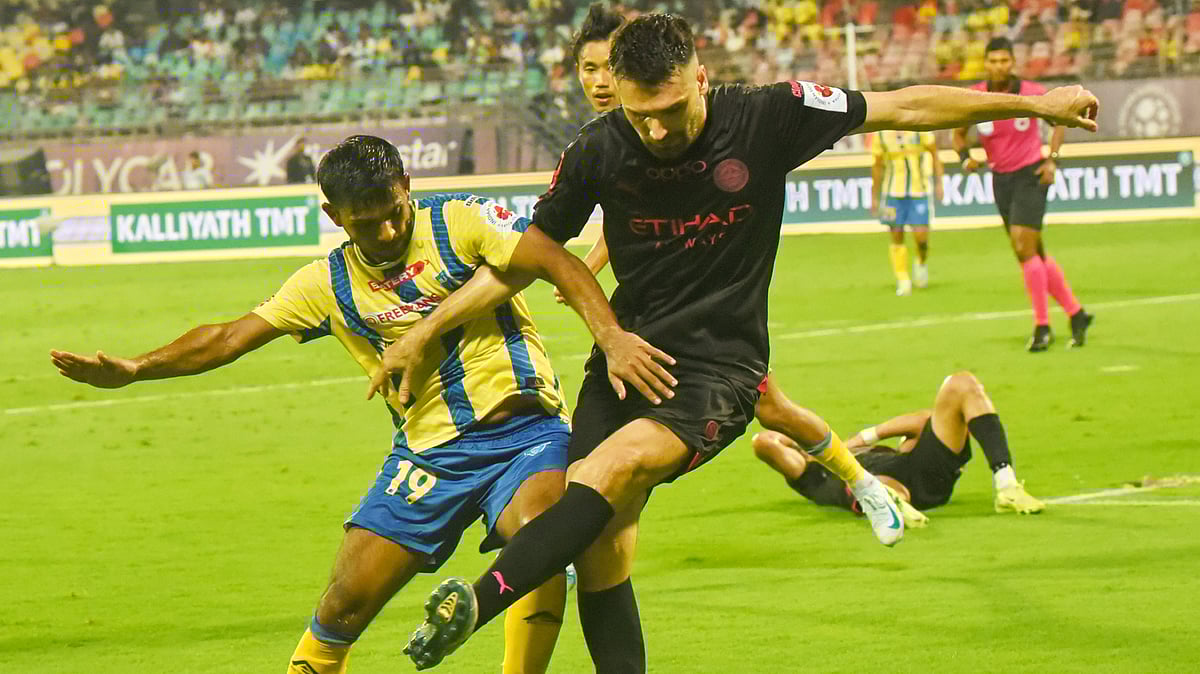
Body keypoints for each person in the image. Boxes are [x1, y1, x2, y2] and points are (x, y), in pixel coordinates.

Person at [392, 14, 1098, 671]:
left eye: (673, 111)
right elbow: (542, 248)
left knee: (608, 472)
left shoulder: (769, 113)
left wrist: (1035, 109)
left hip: (721, 368)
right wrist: (604, 333)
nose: (660, 131)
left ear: (701, 77)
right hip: (627, 358)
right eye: (643, 116)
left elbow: (903, 107)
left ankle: (476, 602)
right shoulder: (600, 148)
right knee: (604, 544)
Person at [48, 135, 675, 674]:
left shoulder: (461, 221)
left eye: (392, 212)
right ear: (332, 214)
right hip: (428, 455)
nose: (384, 231)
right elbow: (229, 337)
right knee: (343, 603)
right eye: (362, 222)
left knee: (539, 544)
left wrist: (612, 338)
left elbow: (555, 260)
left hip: (526, 434)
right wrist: (135, 368)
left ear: (407, 186)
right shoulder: (326, 282)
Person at [558, 1, 907, 549]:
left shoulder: (693, 116)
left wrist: (591, 262)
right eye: (589, 70)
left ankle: (862, 482)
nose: (600, 82)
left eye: (608, 66)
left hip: (717, 335)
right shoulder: (607, 139)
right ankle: (578, 547)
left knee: (777, 410)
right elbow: (635, 217)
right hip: (655, 328)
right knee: (622, 462)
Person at [753, 371, 1046, 523]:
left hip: (918, 469)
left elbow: (923, 420)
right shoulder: (811, 476)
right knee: (879, 486)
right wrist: (805, 445)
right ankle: (893, 508)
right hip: (883, 486)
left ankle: (1006, 483)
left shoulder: (841, 450)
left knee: (962, 383)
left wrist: (863, 438)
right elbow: (765, 442)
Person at [953, 37, 1094, 352]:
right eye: (994, 61)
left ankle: (1042, 326)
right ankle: (1076, 313)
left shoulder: (1031, 93)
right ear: (986, 64)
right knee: (1033, 252)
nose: (999, 66)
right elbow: (958, 135)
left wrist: (1052, 158)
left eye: (1005, 60)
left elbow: (1059, 120)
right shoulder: (976, 97)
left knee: (1022, 245)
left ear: (1012, 62)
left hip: (1030, 176)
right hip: (1000, 180)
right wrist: (966, 159)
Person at [869, 128, 944, 296]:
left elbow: (935, 154)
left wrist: (939, 182)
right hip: (892, 195)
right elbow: (877, 166)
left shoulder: (919, 130)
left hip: (919, 192)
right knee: (896, 234)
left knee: (921, 237)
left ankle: (921, 262)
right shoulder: (881, 135)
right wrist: (874, 195)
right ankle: (902, 279)